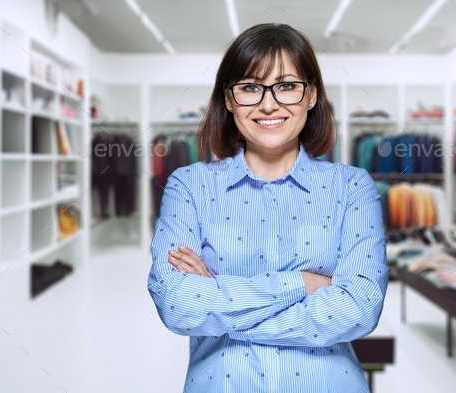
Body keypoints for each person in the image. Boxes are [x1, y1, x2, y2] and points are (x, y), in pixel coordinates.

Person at [148, 23, 389, 393]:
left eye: (287, 86)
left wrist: (217, 294)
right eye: (249, 87)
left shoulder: (352, 187)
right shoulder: (189, 186)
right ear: (228, 99)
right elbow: (179, 306)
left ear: (311, 96)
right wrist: (302, 284)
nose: (268, 103)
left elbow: (358, 310)